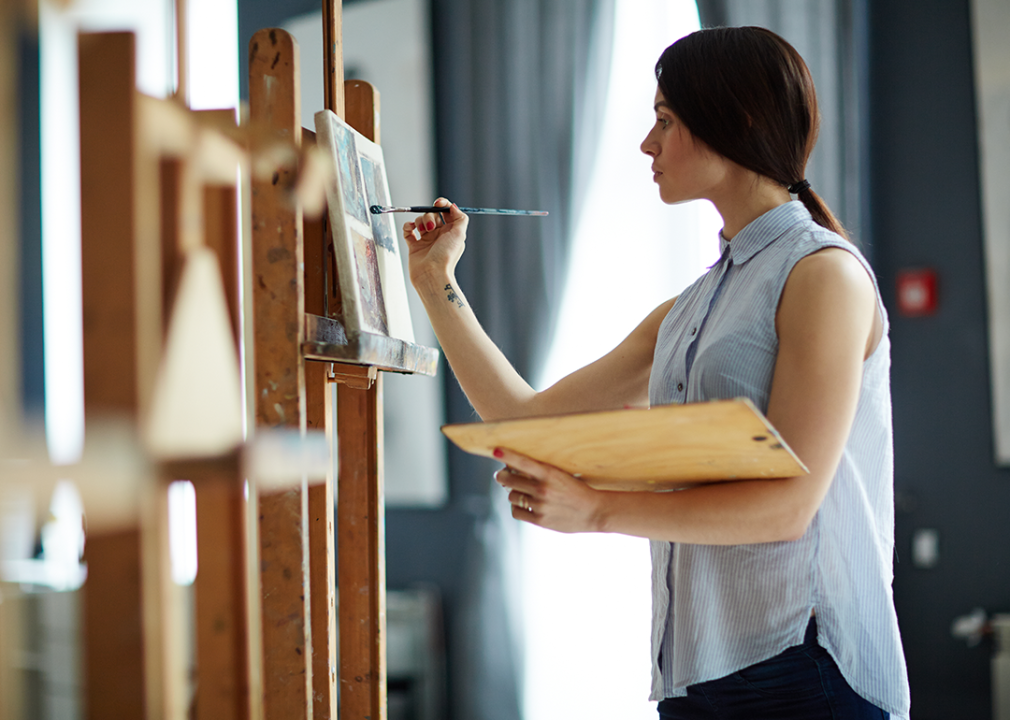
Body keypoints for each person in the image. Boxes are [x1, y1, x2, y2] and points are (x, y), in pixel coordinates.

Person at [403, 26, 909, 720]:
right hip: (695, 676)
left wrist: (599, 510)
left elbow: (790, 508)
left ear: (741, 122)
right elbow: (521, 420)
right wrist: (436, 284)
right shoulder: (690, 308)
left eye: (665, 121)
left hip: (804, 671)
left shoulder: (823, 276)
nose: (648, 144)